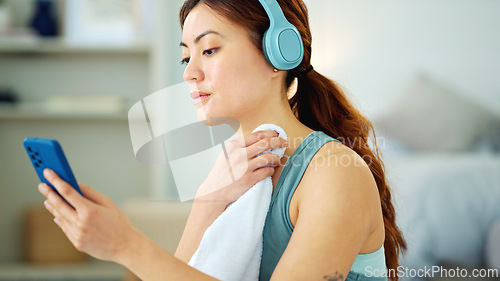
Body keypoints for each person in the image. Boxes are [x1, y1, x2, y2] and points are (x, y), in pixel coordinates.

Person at [38, 0, 406, 280]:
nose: (190, 74)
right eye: (186, 57)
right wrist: (206, 203)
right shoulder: (231, 170)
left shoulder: (333, 173)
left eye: (209, 50)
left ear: (279, 53)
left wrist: (126, 246)